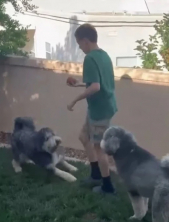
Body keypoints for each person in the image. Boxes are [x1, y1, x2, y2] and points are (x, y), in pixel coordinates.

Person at [66, 23, 118, 194]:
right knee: (83, 136)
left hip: (100, 111)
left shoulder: (90, 58)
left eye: (79, 44)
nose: (80, 48)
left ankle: (107, 186)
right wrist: (79, 84)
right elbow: (97, 83)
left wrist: (74, 100)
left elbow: (95, 87)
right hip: (103, 106)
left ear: (85, 41)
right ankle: (95, 174)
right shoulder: (104, 56)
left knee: (99, 149)